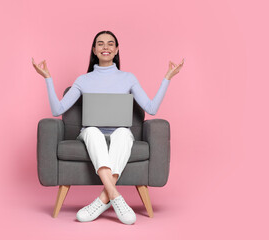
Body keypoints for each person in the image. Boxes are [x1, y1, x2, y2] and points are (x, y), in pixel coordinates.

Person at [32, 30, 184, 225]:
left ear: (117, 49)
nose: (106, 47)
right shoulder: (83, 80)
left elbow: (151, 108)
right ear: (94, 50)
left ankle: (104, 199)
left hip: (120, 133)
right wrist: (47, 78)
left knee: (123, 132)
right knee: (93, 131)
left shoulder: (128, 78)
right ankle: (115, 196)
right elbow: (57, 109)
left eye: (110, 43)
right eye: (101, 44)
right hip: (91, 133)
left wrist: (167, 78)